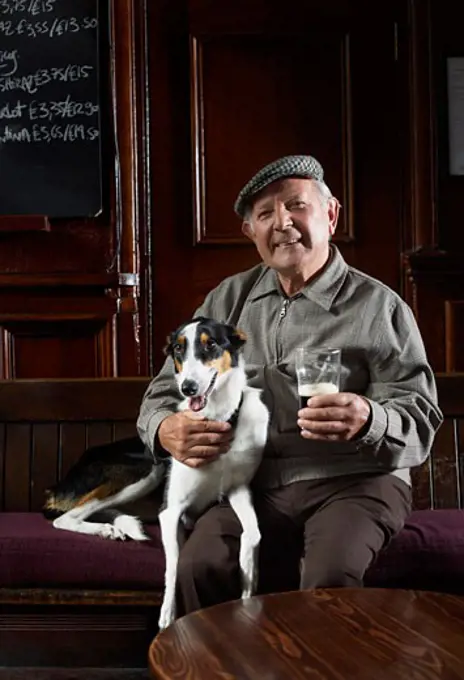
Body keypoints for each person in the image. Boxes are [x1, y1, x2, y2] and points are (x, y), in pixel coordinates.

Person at [137, 154, 443, 615]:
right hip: (251, 484)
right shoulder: (227, 300)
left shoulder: (379, 305)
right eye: (265, 214)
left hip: (355, 482)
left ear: (331, 215)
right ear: (251, 233)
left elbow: (420, 415)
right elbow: (160, 396)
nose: (283, 223)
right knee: (200, 565)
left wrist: (370, 419)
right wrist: (165, 429)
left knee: (328, 580)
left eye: (296, 206)